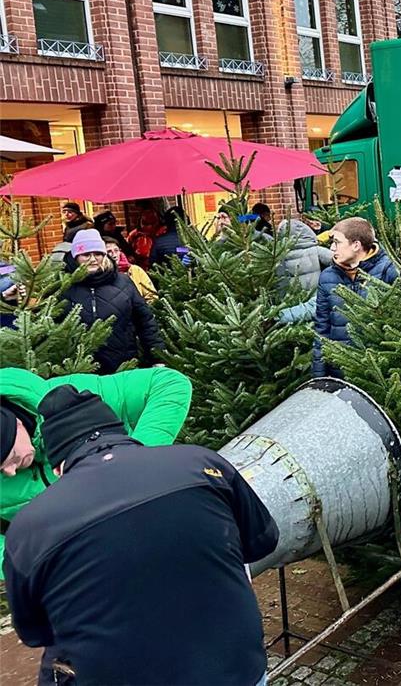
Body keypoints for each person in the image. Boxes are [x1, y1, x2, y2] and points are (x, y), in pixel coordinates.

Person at [3, 385, 276, 686]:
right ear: (121, 432)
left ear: (57, 468)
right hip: (237, 670)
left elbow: (35, 632)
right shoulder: (203, 463)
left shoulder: (28, 528)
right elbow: (263, 540)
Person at [0, 365, 192, 560]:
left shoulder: (73, 399)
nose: (10, 472)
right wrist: (35, 564)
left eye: (11, 457)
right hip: (89, 558)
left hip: (156, 516)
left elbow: (168, 383)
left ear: (16, 424)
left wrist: (133, 463)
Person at [59, 230, 164, 374]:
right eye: (86, 255)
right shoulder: (64, 286)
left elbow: (145, 322)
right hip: (78, 370)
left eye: (98, 254)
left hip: (122, 367)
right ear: (75, 257)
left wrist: (157, 358)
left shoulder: (123, 283)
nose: (93, 259)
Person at [313, 217, 398, 377]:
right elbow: (321, 330)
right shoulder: (327, 277)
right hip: (340, 370)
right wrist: (319, 377)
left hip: (378, 373)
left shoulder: (389, 271)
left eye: (337, 242)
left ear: (356, 245)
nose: (332, 248)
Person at [277, 218, 334, 293]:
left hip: (291, 297)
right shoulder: (316, 250)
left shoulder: (279, 256)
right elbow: (337, 260)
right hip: (316, 294)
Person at [104, 237, 157, 303]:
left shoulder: (135, 270)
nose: (114, 255)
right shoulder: (101, 275)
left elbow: (152, 295)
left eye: (116, 250)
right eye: (109, 252)